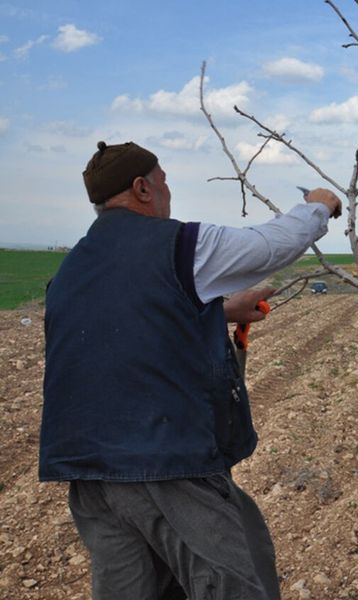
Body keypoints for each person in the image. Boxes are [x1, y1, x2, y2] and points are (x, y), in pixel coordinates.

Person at [39, 141, 342, 600]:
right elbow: (270, 246)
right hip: (164, 463)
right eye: (163, 182)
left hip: (89, 475)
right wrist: (317, 206)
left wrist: (217, 310)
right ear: (142, 188)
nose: (168, 193)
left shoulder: (73, 267)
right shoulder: (180, 244)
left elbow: (128, 317)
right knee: (234, 586)